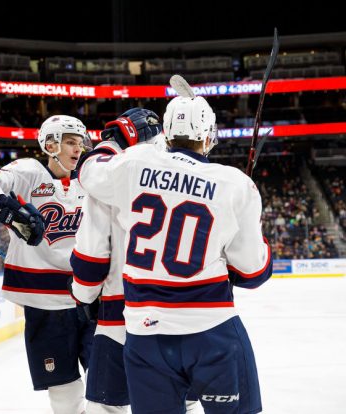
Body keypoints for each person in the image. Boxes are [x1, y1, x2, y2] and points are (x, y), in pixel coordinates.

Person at [78, 93, 272, 413]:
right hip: (212, 334)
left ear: (165, 134)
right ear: (209, 137)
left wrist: (113, 140)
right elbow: (253, 273)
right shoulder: (234, 184)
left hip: (145, 335)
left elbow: (88, 170)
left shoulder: (134, 162)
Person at [0, 115, 94, 414]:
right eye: (71, 142)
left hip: (91, 296)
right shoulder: (28, 171)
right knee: (63, 385)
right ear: (50, 144)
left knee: (106, 382)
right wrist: (7, 206)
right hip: (44, 300)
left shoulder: (90, 177)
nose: (78, 149)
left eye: (80, 143)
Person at [71, 108, 164, 414]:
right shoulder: (194, 178)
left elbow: (91, 256)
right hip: (184, 315)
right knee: (178, 405)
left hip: (120, 311)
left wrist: (84, 297)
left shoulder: (110, 178)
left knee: (106, 407)